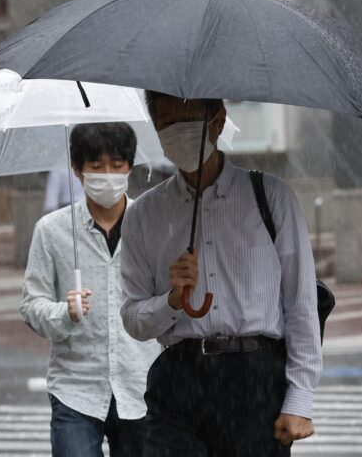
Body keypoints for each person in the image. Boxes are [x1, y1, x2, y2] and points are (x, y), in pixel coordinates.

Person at [120, 92, 321, 456]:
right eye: (166, 121)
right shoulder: (144, 215)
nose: (177, 130)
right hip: (177, 380)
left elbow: (301, 305)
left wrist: (299, 400)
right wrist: (171, 301)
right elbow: (134, 320)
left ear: (219, 119)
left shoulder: (271, 198)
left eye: (189, 117)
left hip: (255, 380)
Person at [21, 122, 160, 457]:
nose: (107, 175)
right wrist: (63, 313)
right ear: (77, 170)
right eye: (96, 167)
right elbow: (30, 304)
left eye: (117, 166)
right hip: (76, 390)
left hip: (141, 387)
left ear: (129, 167)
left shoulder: (154, 223)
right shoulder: (52, 231)